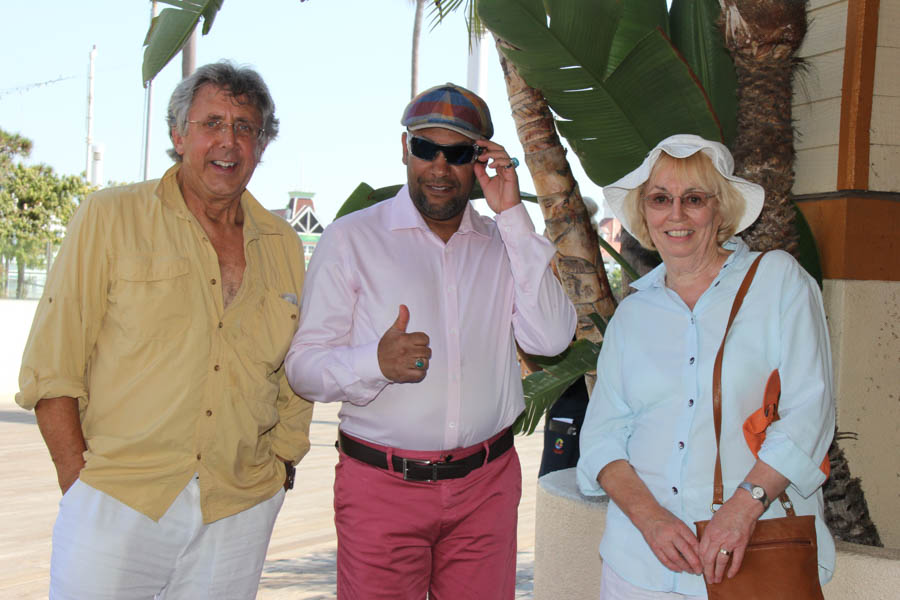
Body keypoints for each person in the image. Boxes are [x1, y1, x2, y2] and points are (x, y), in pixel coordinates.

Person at [16, 61, 313, 599]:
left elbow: (293, 375)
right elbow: (52, 364)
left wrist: (283, 464)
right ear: (179, 135)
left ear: (262, 145)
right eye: (212, 123)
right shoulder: (109, 217)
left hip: (239, 507)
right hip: (120, 499)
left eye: (245, 127)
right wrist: (78, 483)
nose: (228, 141)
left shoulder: (284, 245)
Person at [284, 82, 576, 599]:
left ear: (479, 160)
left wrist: (511, 213)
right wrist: (373, 362)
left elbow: (552, 337)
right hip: (381, 487)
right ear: (404, 148)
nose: (439, 167)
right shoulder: (351, 239)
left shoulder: (503, 242)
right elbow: (303, 368)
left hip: (486, 486)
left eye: (458, 152)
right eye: (425, 149)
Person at [576, 134, 836, 598]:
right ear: (645, 215)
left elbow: (809, 411)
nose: (675, 214)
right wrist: (651, 520)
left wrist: (742, 509)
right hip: (638, 564)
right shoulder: (633, 314)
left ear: (720, 212)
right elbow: (601, 437)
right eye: (660, 199)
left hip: (748, 556)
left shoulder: (777, 281)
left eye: (693, 199)